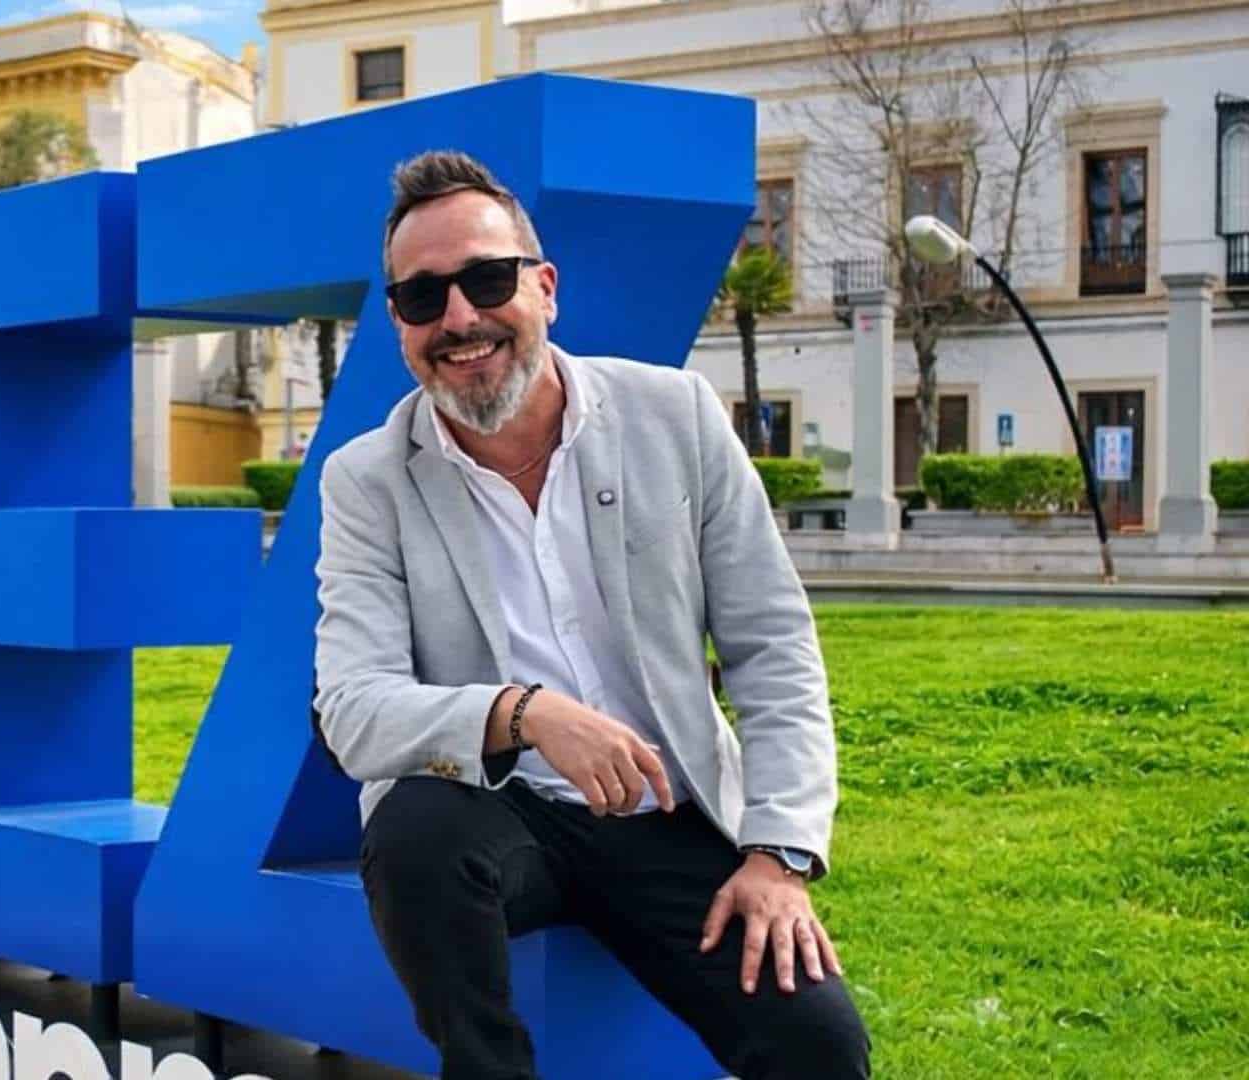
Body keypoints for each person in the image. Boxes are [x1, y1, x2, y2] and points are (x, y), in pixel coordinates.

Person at [312, 150, 870, 1079]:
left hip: (670, 814)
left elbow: (772, 645)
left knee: (818, 1042)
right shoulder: (366, 479)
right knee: (412, 829)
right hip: (499, 819)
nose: (459, 318)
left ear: (545, 287)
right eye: (422, 297)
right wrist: (524, 714)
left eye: (487, 280)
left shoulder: (674, 414)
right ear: (397, 323)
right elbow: (353, 707)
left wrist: (779, 854)